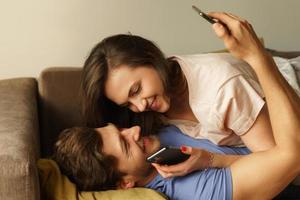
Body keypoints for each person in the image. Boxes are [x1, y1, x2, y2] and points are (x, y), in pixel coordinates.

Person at [80, 14, 276, 160]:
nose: (139, 107)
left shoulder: (224, 89)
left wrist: (209, 161)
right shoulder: (150, 110)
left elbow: (280, 162)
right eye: (127, 104)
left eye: (136, 90)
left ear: (150, 57)